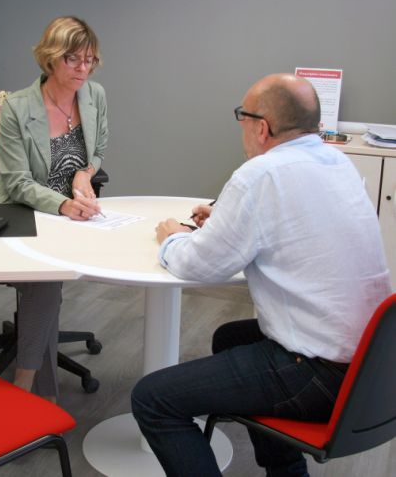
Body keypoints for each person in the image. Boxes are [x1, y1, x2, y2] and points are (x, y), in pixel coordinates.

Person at [131, 73, 391, 476]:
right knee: (230, 338)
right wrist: (229, 220)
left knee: (153, 399)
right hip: (373, 364)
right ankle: (286, 471)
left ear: (262, 127)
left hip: (319, 373)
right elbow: (301, 222)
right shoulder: (338, 162)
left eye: (243, 116)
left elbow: (198, 265)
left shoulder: (260, 174)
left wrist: (172, 237)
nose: (241, 126)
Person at [0, 16, 109, 402]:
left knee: (48, 285)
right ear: (51, 57)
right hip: (16, 211)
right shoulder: (17, 107)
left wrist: (85, 173)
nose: (83, 69)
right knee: (46, 282)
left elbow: (99, 148)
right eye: (73, 59)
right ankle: (31, 391)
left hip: (64, 218)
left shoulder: (94, 95)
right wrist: (64, 203)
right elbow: (16, 181)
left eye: (89, 60)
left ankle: (33, 394)